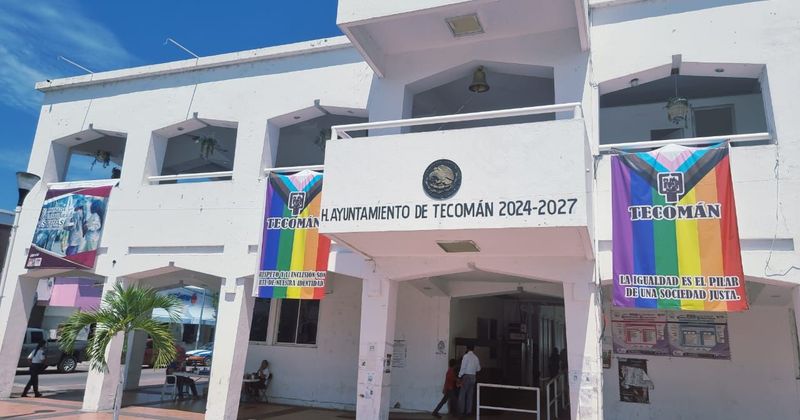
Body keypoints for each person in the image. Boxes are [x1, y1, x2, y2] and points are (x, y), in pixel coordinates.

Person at [458, 345, 481, 417]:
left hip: (466, 376)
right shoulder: (476, 357)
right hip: (473, 377)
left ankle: (461, 412)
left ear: (467, 349)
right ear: (473, 349)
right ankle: (468, 412)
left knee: (462, 395)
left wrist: (459, 376)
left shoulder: (466, 356)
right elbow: (478, 369)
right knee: (470, 395)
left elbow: (463, 367)